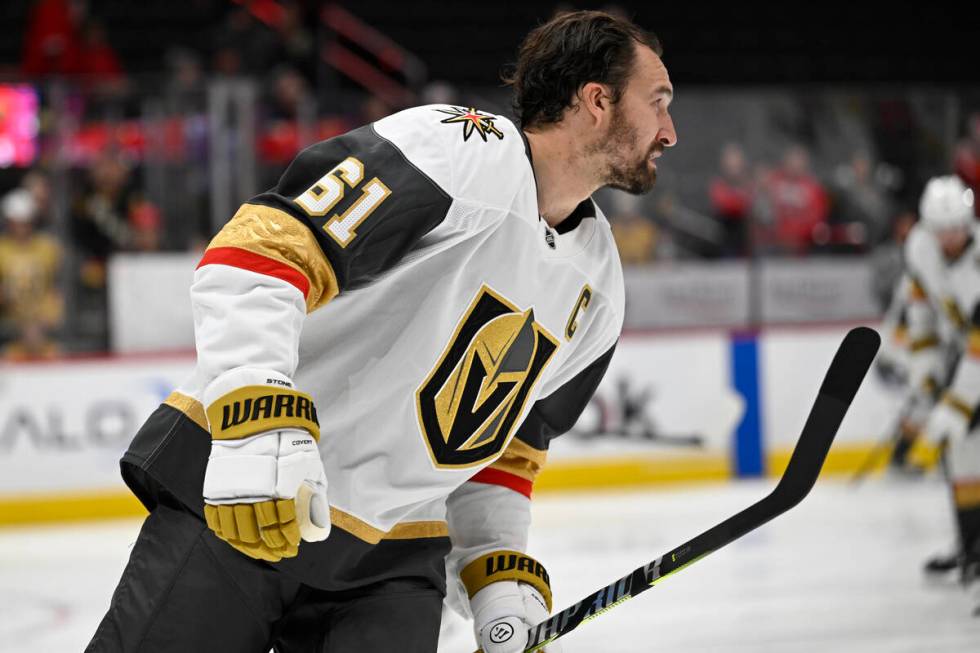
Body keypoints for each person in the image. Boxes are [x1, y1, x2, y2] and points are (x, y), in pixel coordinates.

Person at [87, 10, 677, 653]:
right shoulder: (461, 150)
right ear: (597, 100)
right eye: (658, 102)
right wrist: (252, 418)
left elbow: (506, 449)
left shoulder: (600, 284)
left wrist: (498, 579)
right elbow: (262, 252)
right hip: (255, 500)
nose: (669, 132)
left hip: (393, 563)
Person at [899, 176, 980, 594]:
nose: (951, 238)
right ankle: (971, 548)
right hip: (962, 353)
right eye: (943, 230)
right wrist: (924, 360)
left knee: (967, 442)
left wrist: (958, 405)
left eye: (958, 228)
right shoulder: (920, 247)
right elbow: (920, 304)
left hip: (975, 358)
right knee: (963, 457)